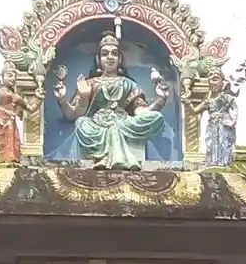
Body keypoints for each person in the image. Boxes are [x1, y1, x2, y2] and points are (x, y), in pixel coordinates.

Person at [51, 34, 169, 169]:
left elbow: (140, 112)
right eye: (105, 54)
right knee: (81, 123)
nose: (110, 57)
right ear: (98, 59)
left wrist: (161, 100)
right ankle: (106, 156)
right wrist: (63, 99)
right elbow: (74, 114)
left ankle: (112, 156)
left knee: (155, 117)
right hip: (97, 127)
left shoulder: (129, 84)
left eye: (114, 54)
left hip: (123, 124)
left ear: (119, 59)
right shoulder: (89, 84)